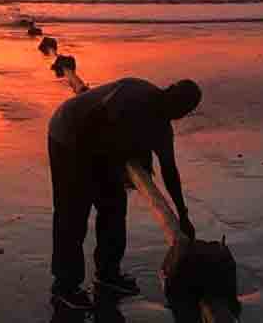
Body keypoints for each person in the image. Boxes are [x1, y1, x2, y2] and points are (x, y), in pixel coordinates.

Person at [48, 74, 201, 310]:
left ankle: (108, 274)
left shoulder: (162, 129)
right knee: (73, 213)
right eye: (177, 102)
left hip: (104, 150)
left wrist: (183, 215)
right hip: (69, 135)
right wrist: (121, 155)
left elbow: (170, 172)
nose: (177, 111)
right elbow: (94, 122)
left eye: (183, 109)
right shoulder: (134, 94)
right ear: (168, 90)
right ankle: (65, 286)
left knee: (114, 208)